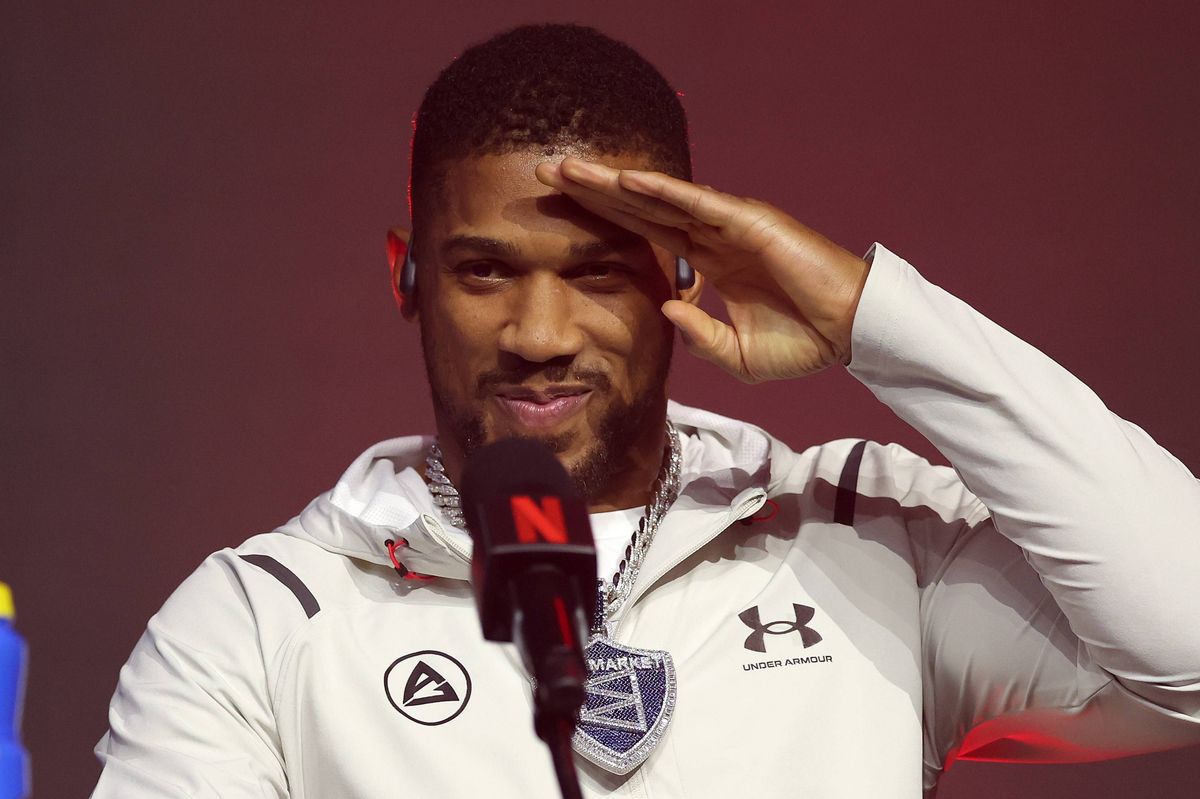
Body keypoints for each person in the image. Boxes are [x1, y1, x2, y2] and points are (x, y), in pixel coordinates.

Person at [91, 23, 1200, 799]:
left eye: (600, 273)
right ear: (406, 272)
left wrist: (878, 319)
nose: (539, 331)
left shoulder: (867, 540)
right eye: (484, 271)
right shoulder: (259, 621)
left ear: (681, 272)